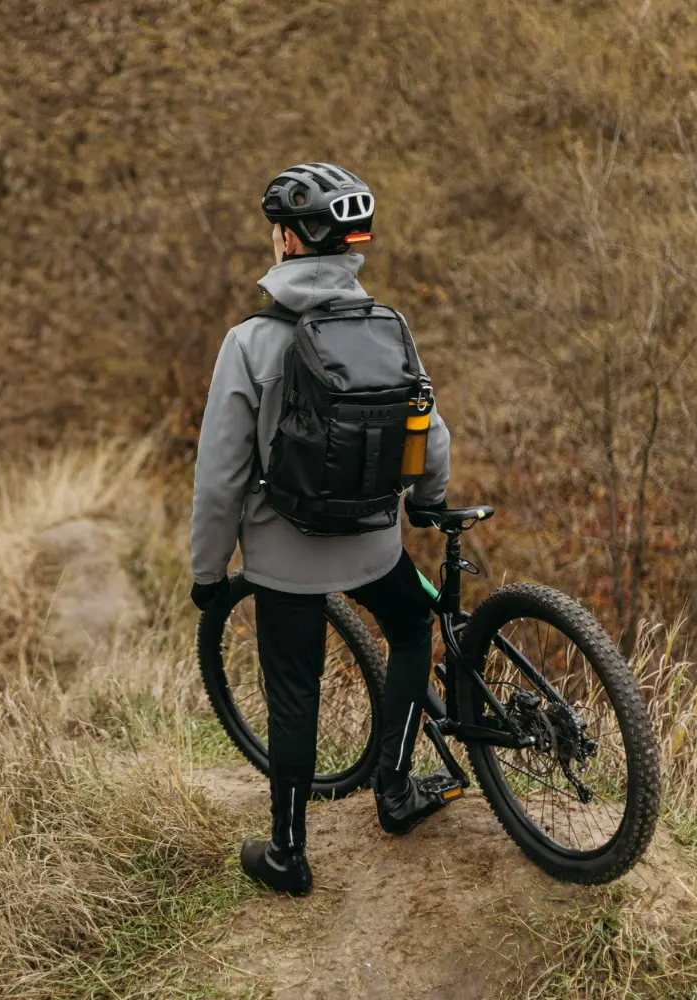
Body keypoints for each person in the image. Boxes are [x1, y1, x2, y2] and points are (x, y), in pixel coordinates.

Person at [190, 163, 453, 897]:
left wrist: (209, 574)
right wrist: (427, 501)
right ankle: (396, 793)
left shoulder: (249, 343)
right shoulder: (387, 325)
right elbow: (430, 437)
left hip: (283, 560)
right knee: (410, 627)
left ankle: (287, 854)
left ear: (287, 239)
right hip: (375, 543)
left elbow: (218, 478)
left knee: (294, 692)